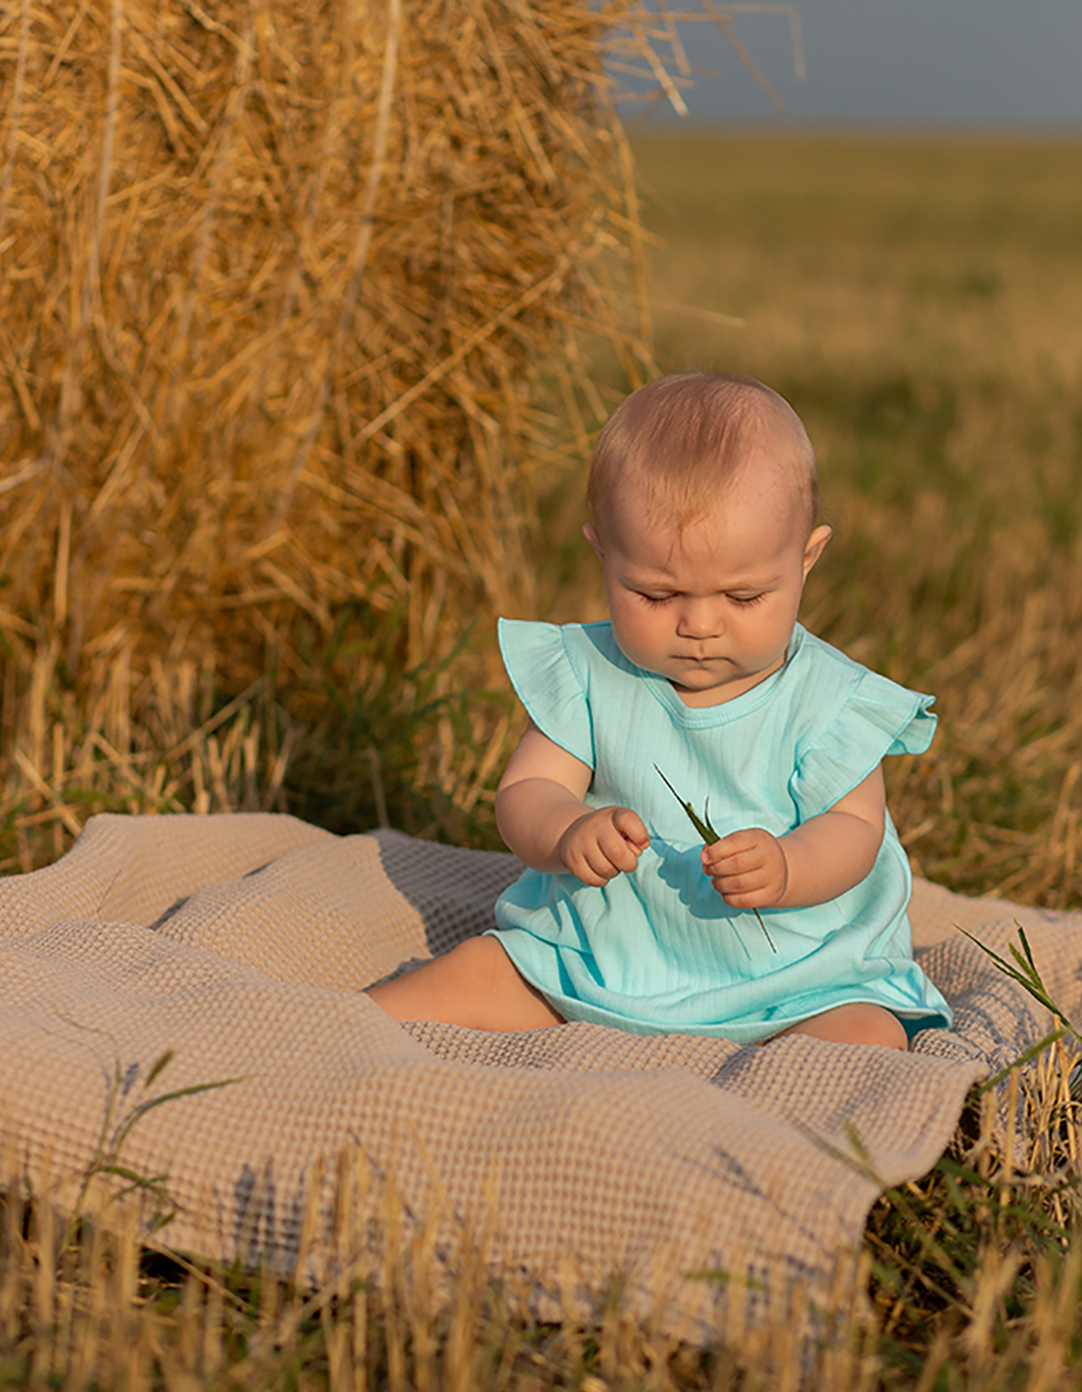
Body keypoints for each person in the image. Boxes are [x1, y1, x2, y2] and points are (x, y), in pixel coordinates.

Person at [369, 372, 951, 1050]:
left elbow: (855, 827)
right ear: (603, 555)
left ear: (806, 558)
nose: (699, 624)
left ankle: (788, 1125)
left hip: (794, 978)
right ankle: (311, 1039)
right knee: (467, 975)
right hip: (597, 960)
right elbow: (527, 790)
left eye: (742, 598)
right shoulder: (590, 672)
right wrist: (565, 830)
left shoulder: (827, 699)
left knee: (866, 1037)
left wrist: (789, 866)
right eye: (654, 594)